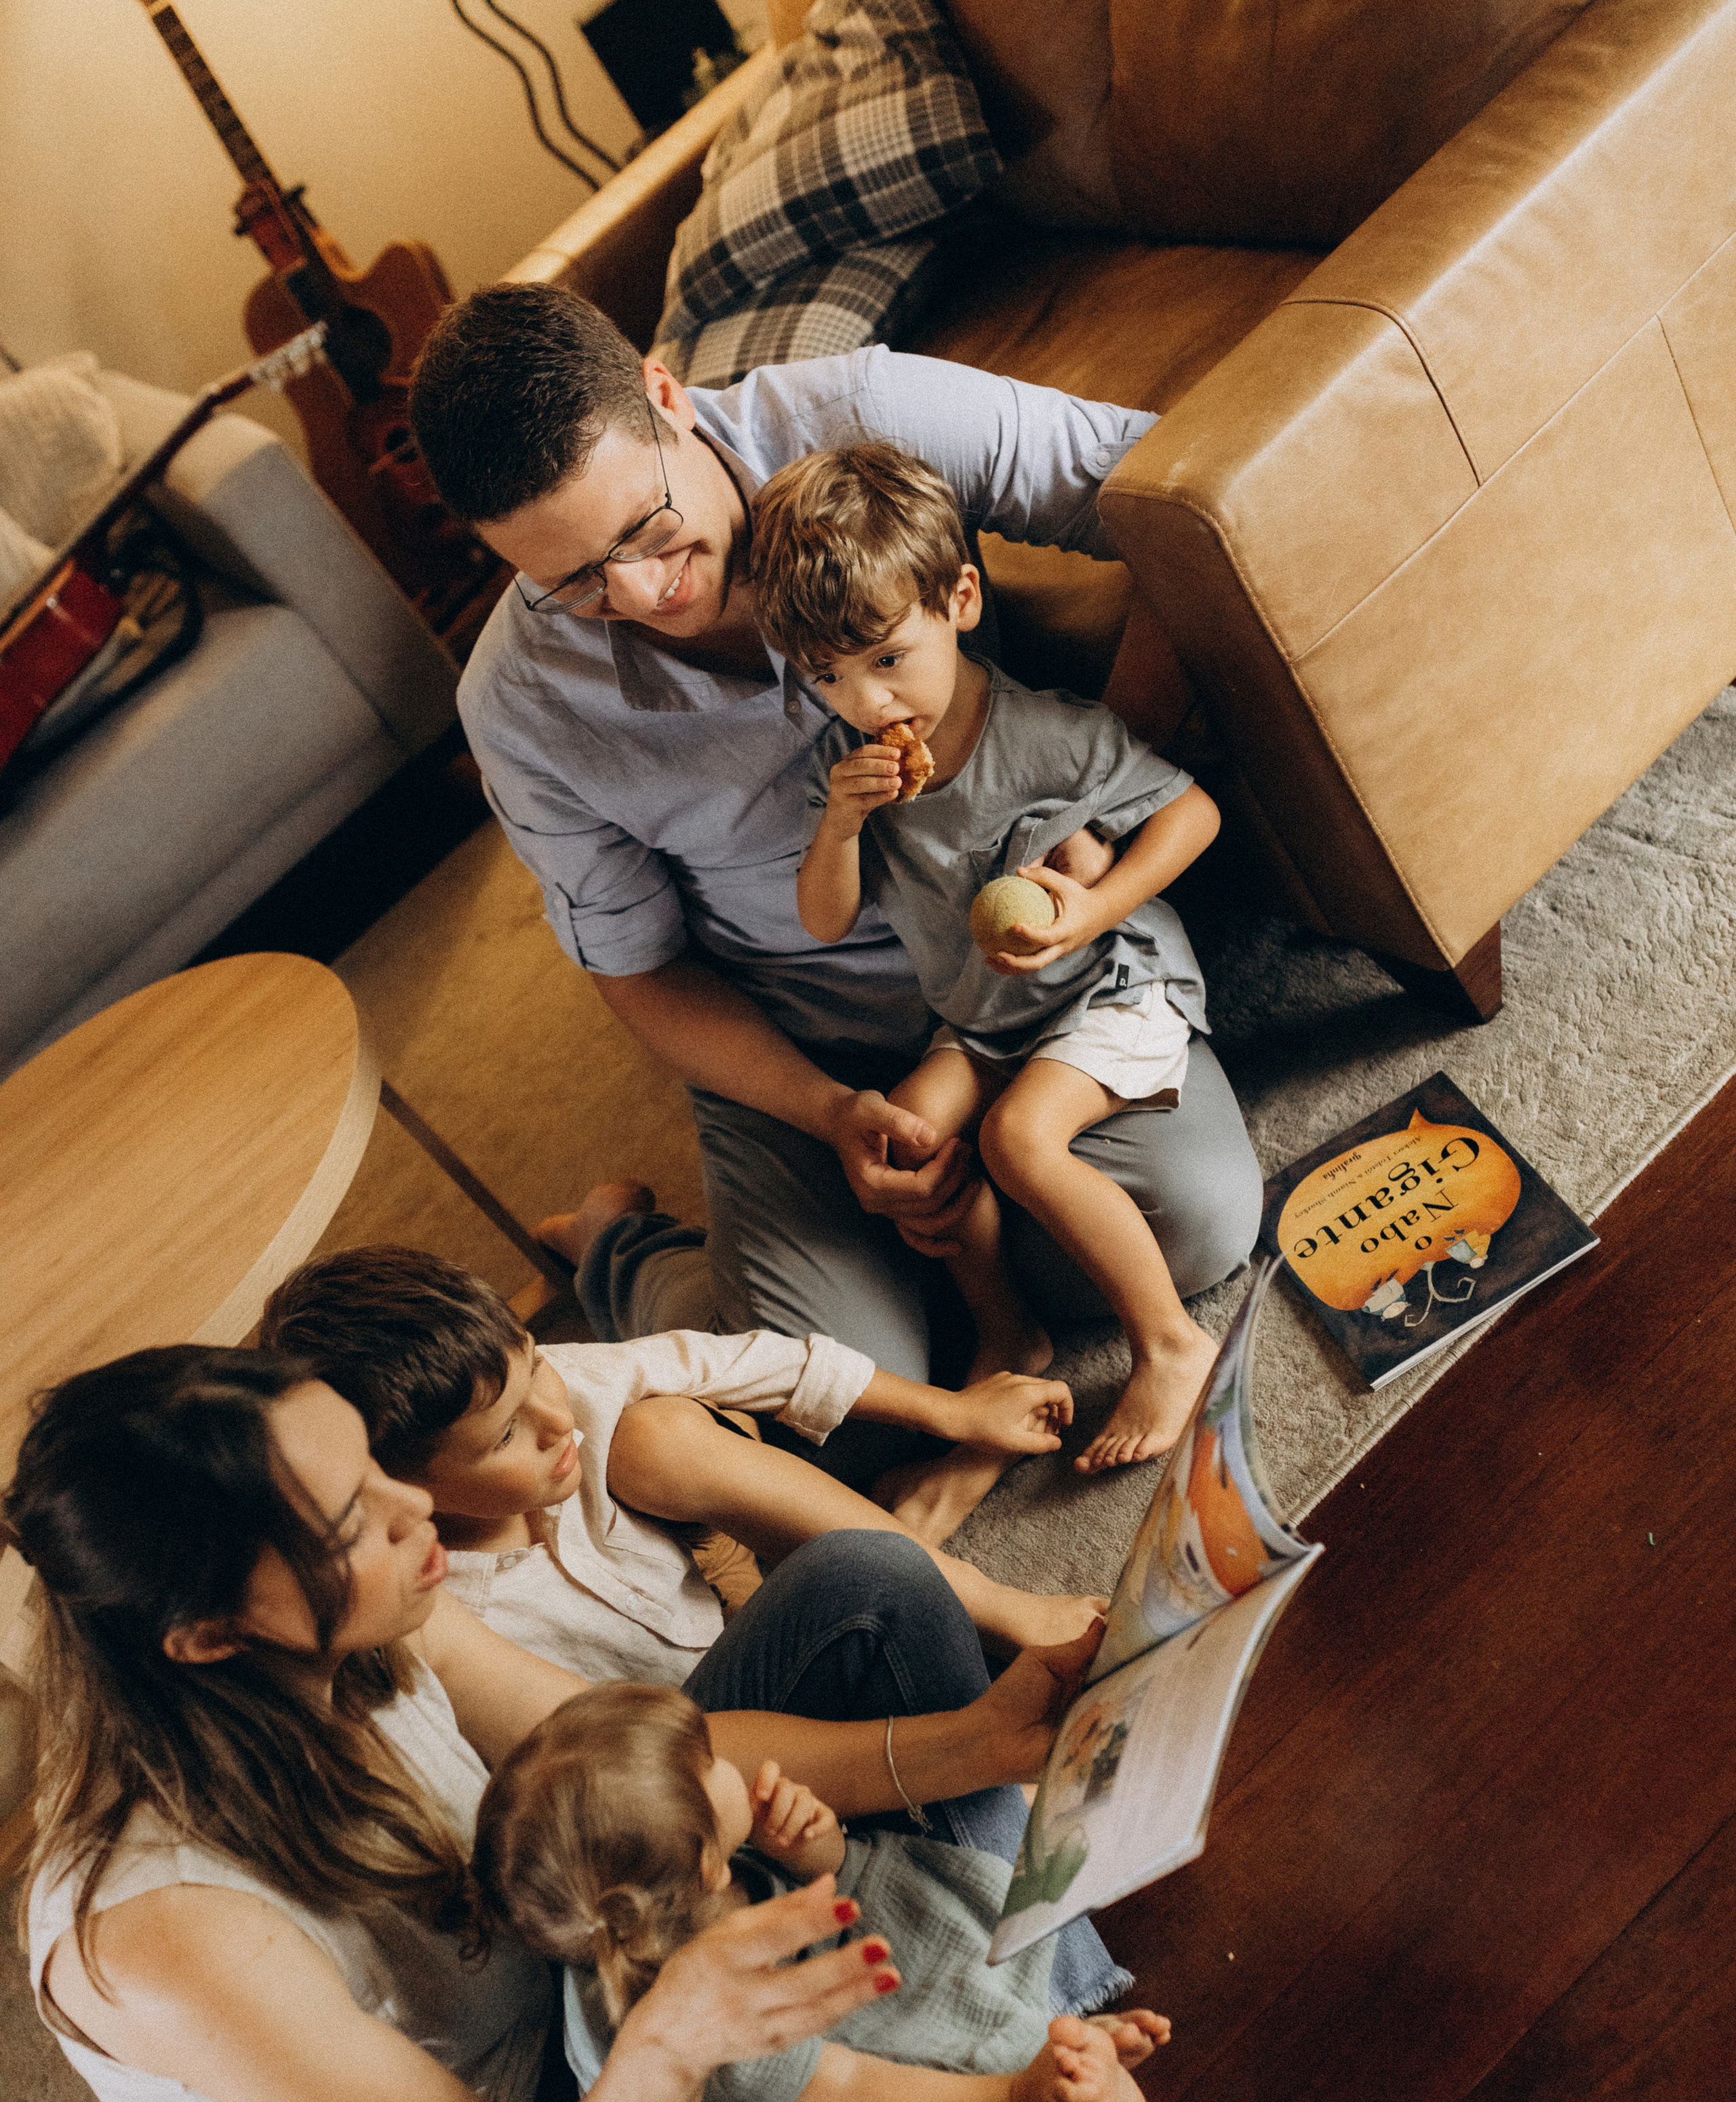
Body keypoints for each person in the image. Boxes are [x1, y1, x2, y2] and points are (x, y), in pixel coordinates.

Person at [12, 1346, 1248, 2102]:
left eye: (379, 1473)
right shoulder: (158, 1935)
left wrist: (972, 1743)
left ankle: (983, 2083)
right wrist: (673, 2044)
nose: (415, 1506)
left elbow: (654, 1760)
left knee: (868, 1585)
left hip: (587, 1928)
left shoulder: (376, 1606)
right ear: (211, 1633)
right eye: (353, 1520)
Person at [406, 285, 1264, 1515]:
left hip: (1021, 1000)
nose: (643, 595)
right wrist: (828, 1116)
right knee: (827, 1439)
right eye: (577, 582)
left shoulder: (863, 415)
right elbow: (636, 970)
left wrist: (1084, 808)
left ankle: (932, 1280)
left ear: (665, 396)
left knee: (1201, 1226)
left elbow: (1188, 494)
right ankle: (626, 1251)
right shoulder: (516, 708)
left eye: (648, 530)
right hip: (805, 1031)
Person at [472, 1681, 1255, 2102]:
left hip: (819, 1966)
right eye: (712, 1766)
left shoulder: (660, 1892)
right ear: (705, 1864)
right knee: (953, 2061)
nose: (730, 1762)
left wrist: (808, 1846)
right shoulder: (715, 2027)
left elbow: (830, 1870)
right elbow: (852, 2090)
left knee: (943, 1933)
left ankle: (1047, 2060)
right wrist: (1015, 2100)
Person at [755, 441, 1225, 1477]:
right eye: (829, 677)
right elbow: (825, 920)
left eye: (886, 658)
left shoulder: (1044, 737)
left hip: (1112, 984)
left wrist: (1094, 907)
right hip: (985, 1017)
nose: (867, 702)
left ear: (960, 599)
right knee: (912, 1142)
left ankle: (1172, 1343)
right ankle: (1009, 1332)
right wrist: (838, 830)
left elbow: (1194, 814)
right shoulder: (849, 775)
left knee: (1020, 1137)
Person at [260, 1245, 1105, 1671]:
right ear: (395, 1486)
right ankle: (913, 1517)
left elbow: (740, 1362)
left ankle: (614, 1240)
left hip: (724, 1569)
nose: (558, 1421)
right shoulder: (429, 1621)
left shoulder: (568, 1396)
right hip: (712, 1720)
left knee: (653, 1429)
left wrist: (950, 1409)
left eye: (537, 1367)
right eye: (508, 1436)